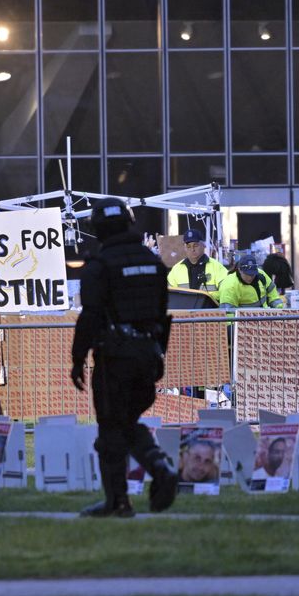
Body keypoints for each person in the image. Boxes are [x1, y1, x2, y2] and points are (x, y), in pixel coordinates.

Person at [71, 198, 179, 518]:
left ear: (98, 228)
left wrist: (77, 360)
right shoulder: (153, 263)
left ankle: (118, 500)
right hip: (149, 356)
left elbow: (89, 317)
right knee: (127, 423)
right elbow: (161, 314)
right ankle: (159, 466)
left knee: (110, 430)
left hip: (115, 358)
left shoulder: (100, 266)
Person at [167, 228, 229, 302]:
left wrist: (207, 297)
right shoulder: (176, 270)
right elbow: (169, 295)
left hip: (209, 311)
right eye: (188, 246)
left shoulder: (217, 267)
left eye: (195, 245)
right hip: (184, 311)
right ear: (184, 248)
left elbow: (227, 291)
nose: (192, 249)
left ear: (204, 245)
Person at [217, 254, 284, 309]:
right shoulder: (229, 285)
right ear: (240, 270)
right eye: (247, 274)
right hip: (242, 322)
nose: (250, 277)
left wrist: (278, 306)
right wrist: (231, 325)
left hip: (264, 318)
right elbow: (228, 313)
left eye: (253, 274)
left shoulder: (261, 275)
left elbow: (272, 291)